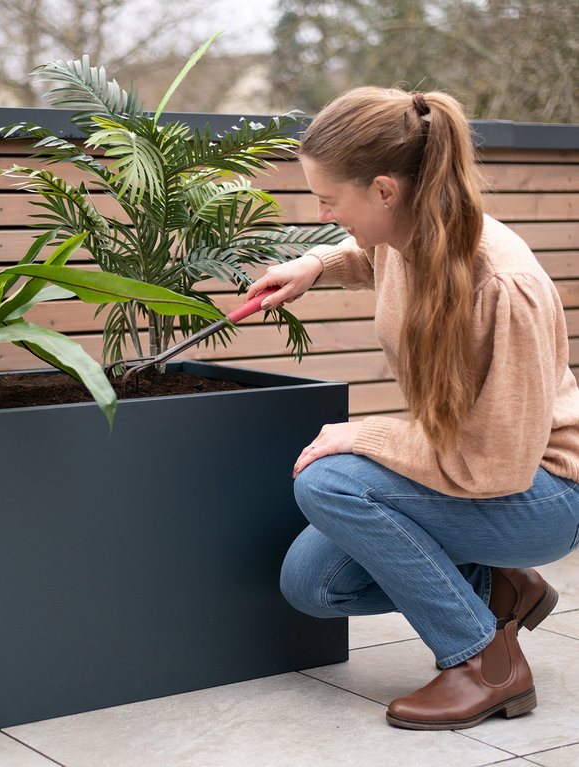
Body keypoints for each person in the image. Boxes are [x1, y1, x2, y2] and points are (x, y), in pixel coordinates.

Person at [246, 86, 579, 730]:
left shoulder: (504, 285)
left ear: (383, 190)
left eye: (328, 201)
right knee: (313, 585)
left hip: (543, 492)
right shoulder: (408, 235)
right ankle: (499, 589)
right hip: (478, 476)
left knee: (331, 480)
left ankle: (483, 663)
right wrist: (313, 264)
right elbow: (369, 255)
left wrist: (366, 436)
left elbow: (499, 465)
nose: (323, 212)